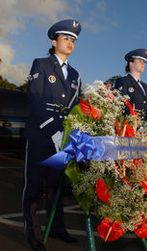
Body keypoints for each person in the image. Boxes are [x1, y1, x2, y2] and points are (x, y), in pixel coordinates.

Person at [23, 19, 81, 251]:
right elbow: (35, 100)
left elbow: (76, 107)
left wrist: (71, 135)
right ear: (54, 41)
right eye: (66, 38)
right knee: (35, 186)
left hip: (63, 137)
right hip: (41, 135)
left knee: (56, 186)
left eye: (74, 40)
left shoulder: (75, 74)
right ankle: (32, 233)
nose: (70, 43)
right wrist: (52, 131)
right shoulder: (42, 64)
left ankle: (57, 228)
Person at [114, 48, 147, 126]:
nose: (143, 64)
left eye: (144, 62)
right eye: (140, 61)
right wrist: (133, 121)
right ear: (131, 63)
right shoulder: (123, 81)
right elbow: (120, 106)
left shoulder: (145, 87)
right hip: (128, 127)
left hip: (143, 129)